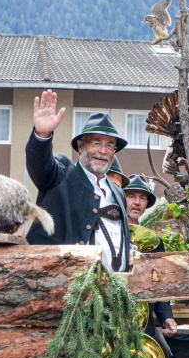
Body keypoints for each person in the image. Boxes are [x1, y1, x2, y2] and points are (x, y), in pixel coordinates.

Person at [26, 89, 130, 272]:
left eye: (110, 145)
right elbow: (40, 165)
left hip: (117, 284)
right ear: (81, 146)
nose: (103, 151)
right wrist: (42, 136)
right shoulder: (61, 174)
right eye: (96, 143)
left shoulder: (118, 192)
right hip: (62, 283)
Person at [123, 174, 177, 358]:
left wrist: (166, 317)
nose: (137, 202)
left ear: (147, 204)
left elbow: (159, 284)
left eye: (142, 198)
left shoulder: (155, 242)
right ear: (121, 198)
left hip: (145, 325)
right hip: (114, 325)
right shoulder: (108, 236)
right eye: (131, 196)